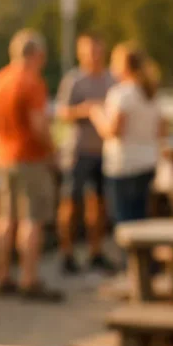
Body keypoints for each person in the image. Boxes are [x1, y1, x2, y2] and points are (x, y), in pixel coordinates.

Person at [0, 29, 63, 301]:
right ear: (37, 54)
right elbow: (39, 124)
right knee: (32, 221)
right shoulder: (31, 82)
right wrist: (52, 151)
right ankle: (29, 279)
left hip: (3, 158)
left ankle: (2, 276)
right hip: (30, 159)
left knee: (5, 220)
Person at [55, 33, 117, 275]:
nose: (94, 55)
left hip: (104, 152)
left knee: (99, 204)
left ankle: (96, 251)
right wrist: (86, 110)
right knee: (70, 203)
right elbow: (62, 112)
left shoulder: (112, 79)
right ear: (81, 53)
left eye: (97, 50)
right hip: (78, 152)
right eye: (89, 51)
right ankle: (67, 253)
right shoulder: (74, 80)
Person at [89, 43, 165, 227]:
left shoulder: (121, 94)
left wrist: (95, 113)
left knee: (125, 221)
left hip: (124, 165)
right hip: (148, 163)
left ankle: (130, 257)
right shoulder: (151, 93)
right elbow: (162, 130)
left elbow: (113, 131)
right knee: (142, 219)